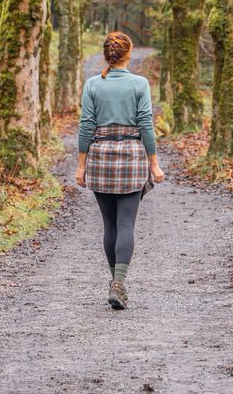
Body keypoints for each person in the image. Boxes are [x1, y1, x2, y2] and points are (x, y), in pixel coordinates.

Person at [76, 31, 165, 309]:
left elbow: (86, 125)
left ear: (107, 54)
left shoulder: (93, 84)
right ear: (128, 54)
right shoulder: (140, 83)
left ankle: (115, 281)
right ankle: (119, 284)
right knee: (126, 222)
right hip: (131, 155)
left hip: (100, 156)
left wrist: (81, 165)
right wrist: (154, 162)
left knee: (110, 224)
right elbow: (146, 125)